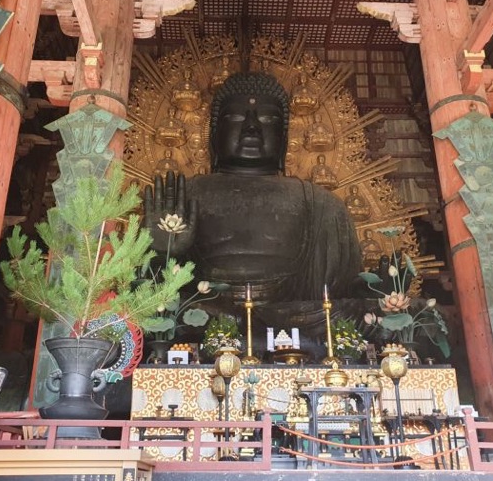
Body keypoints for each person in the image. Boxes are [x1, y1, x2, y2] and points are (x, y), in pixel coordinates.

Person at [144, 72, 363, 326]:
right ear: (214, 135)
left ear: (284, 137)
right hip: (205, 317)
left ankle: (248, 327)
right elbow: (145, 289)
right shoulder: (183, 196)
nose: (251, 127)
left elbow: (345, 292)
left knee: (351, 314)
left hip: (297, 321)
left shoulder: (322, 205)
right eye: (235, 118)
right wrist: (160, 254)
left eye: (268, 119)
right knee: (166, 311)